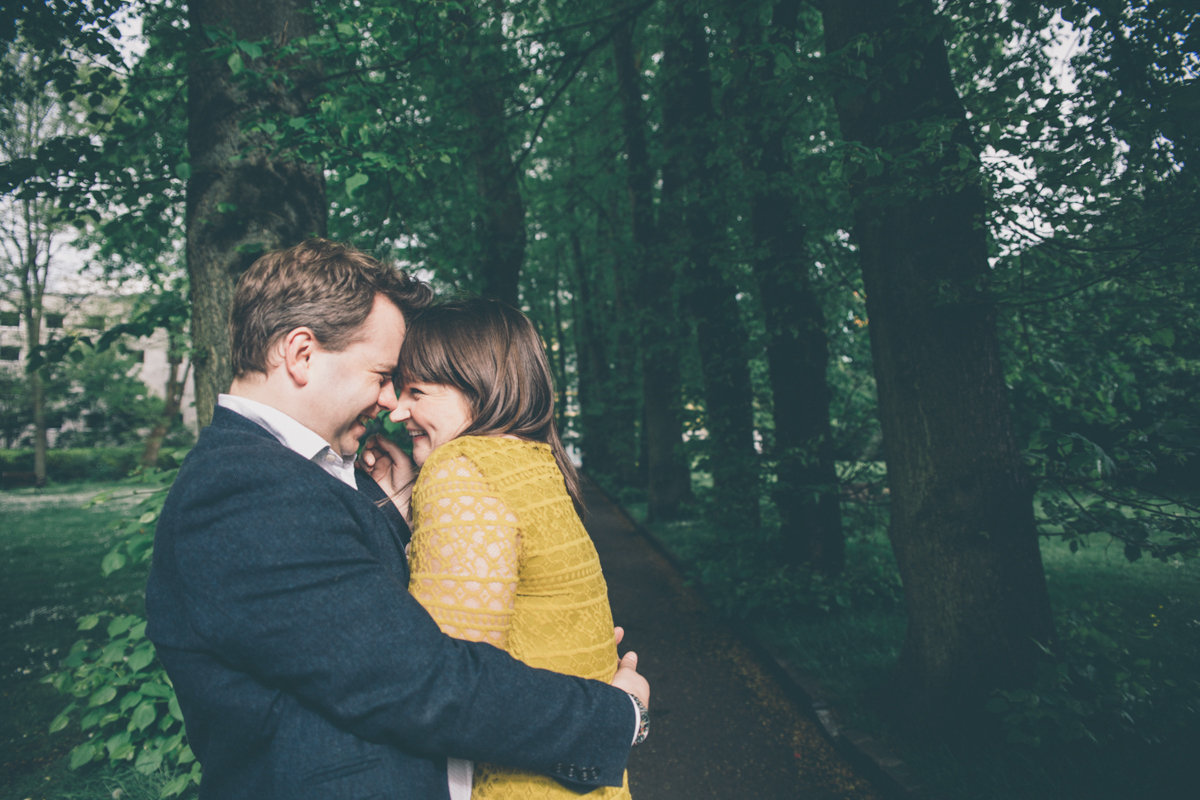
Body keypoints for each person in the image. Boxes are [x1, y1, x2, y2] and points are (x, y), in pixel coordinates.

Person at [145, 239, 648, 800]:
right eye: (383, 374)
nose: (391, 400)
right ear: (301, 353)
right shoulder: (240, 488)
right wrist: (613, 714)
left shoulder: (330, 477)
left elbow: (393, 619)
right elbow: (419, 681)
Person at [361, 299, 640, 799]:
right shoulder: (536, 462)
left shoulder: (460, 468)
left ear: (478, 386)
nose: (397, 411)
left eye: (417, 392)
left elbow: (442, 683)